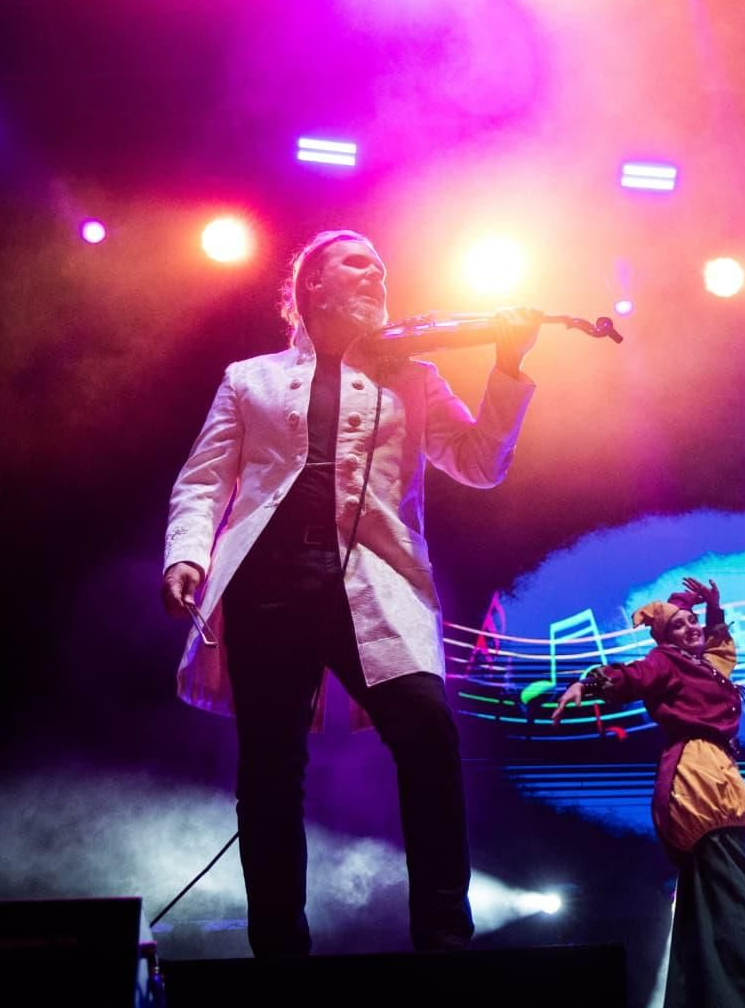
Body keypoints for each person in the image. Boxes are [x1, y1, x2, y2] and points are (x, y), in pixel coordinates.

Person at [160, 229, 540, 956]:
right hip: (267, 581)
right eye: (357, 264)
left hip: (377, 579)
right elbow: (205, 480)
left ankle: (444, 938)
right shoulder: (251, 378)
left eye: (382, 267)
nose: (377, 276)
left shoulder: (415, 377)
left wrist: (507, 366)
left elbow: (478, 462)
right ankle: (278, 949)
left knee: (427, 733)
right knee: (269, 767)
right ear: (313, 285)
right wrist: (187, 555)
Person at [553, 578, 745, 1007]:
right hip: (702, 784)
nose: (693, 628)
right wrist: (588, 684)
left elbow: (720, 646)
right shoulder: (666, 661)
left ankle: (707, 996)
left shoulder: (705, 665)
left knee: (710, 903)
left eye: (694, 621)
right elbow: (634, 676)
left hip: (714, 775)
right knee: (737, 897)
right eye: (681, 625)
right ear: (667, 638)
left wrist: (711, 605)